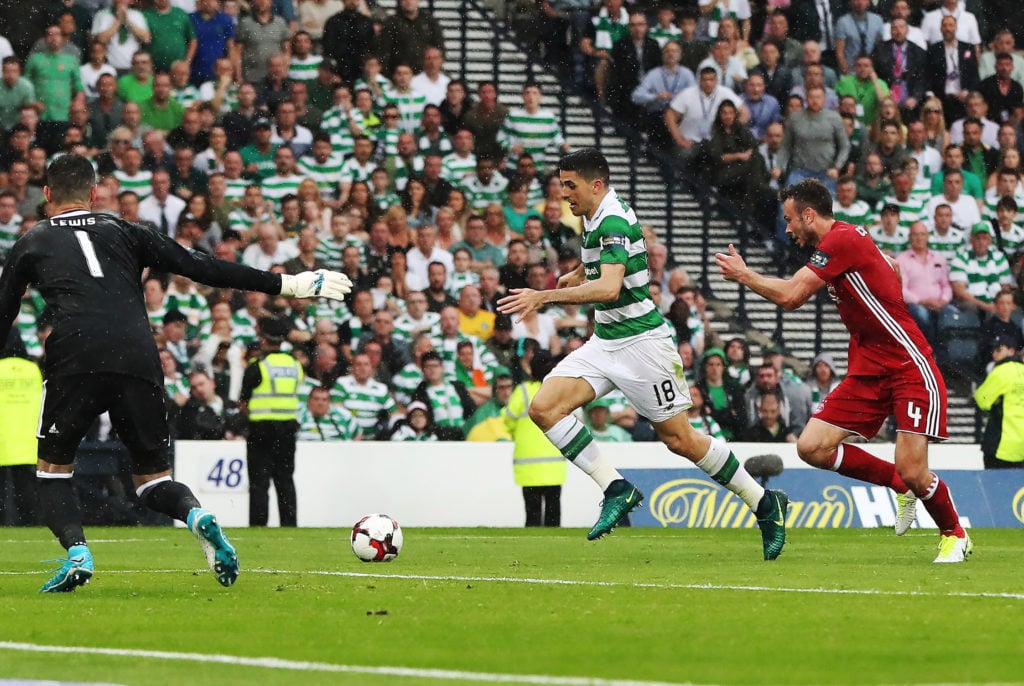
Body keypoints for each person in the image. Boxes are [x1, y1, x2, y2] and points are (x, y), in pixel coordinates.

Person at [0, 153, 352, 592]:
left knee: (52, 471)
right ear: (93, 193)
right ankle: (194, 514)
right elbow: (201, 266)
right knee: (153, 480)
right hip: (138, 354)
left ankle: (77, 552)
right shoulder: (126, 230)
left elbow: (4, 314)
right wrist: (287, 283)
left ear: (48, 194)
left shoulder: (32, 241)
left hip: (76, 355)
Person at [498, 148, 787, 558]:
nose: (563, 193)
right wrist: (576, 273)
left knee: (681, 440)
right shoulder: (594, 213)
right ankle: (616, 488)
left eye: (570, 185)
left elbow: (609, 287)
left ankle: (763, 502)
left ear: (596, 184)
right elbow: (603, 261)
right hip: (606, 341)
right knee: (544, 408)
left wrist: (544, 295)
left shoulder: (612, 219)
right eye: (562, 185)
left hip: (643, 345)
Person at [717, 178, 972, 563]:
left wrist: (744, 275)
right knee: (812, 447)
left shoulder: (840, 240)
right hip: (870, 369)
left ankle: (954, 534)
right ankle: (898, 485)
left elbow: (792, 296)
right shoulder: (851, 237)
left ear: (808, 215)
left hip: (908, 365)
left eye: (790, 219)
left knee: (915, 469)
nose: (787, 228)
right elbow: (891, 267)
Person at [240, 315, 304, 528]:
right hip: (287, 429)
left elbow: (243, 402)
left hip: (261, 429)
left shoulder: (258, 366)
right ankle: (289, 526)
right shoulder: (295, 365)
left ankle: (258, 527)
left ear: (264, 340)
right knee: (285, 480)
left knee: (259, 482)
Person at [504, 350, 566, 527]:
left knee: (532, 515)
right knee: (553, 517)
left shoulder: (523, 391)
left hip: (528, 466)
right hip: (554, 466)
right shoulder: (559, 391)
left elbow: (509, 420)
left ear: (531, 369)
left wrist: (519, 433)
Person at [974, 338, 1024, 469]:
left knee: (994, 481)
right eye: (993, 350)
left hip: (1001, 445)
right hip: (1021, 447)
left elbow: (982, 399)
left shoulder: (1001, 371)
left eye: (998, 349)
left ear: (1011, 351)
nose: (994, 353)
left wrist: (995, 401)